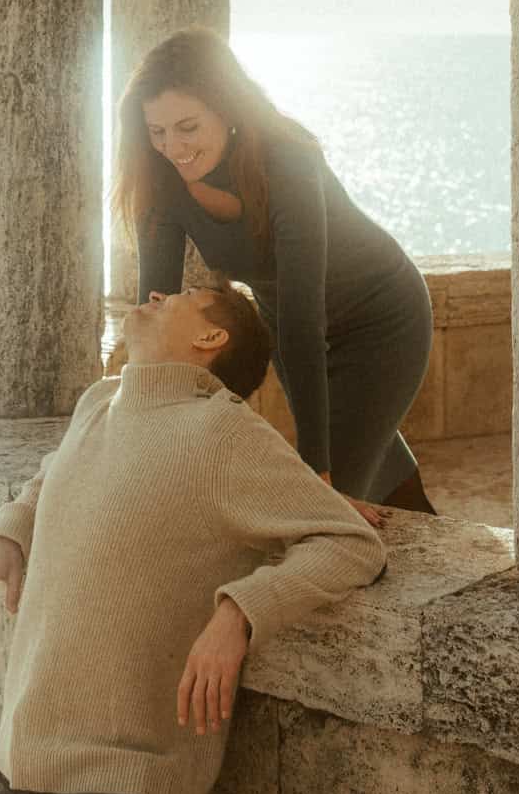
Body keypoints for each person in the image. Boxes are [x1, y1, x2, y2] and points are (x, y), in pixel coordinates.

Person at [0, 282, 385, 794]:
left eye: (182, 295)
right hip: (29, 751)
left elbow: (346, 542)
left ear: (211, 340)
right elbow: (47, 482)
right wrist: (6, 535)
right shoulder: (101, 401)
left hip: (131, 775)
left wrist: (240, 611)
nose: (153, 293)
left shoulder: (222, 430)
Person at [113, 27, 436, 516]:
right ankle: (426, 534)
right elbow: (153, 307)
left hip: (382, 321)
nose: (173, 147)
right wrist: (122, 433)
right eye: (157, 131)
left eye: (188, 127)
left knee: (324, 501)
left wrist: (317, 468)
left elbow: (305, 314)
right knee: (366, 463)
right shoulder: (161, 182)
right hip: (286, 324)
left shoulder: (288, 159)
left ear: (226, 108)